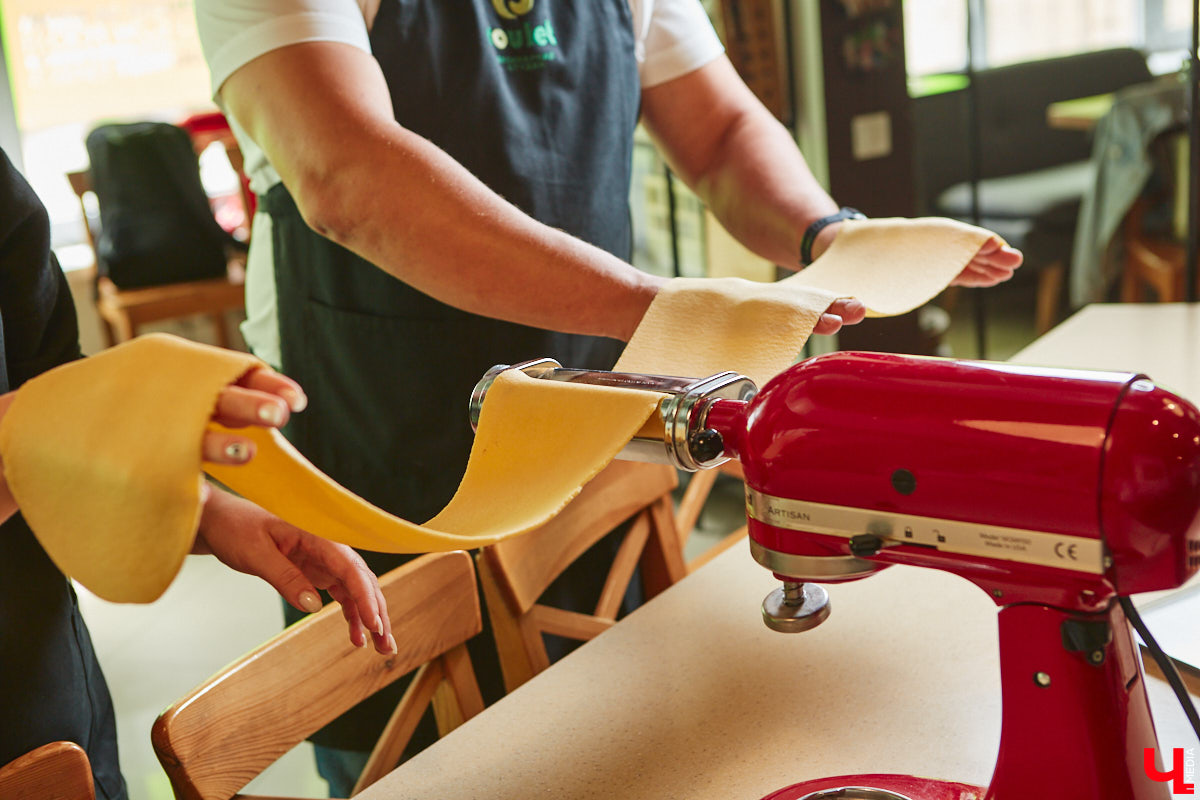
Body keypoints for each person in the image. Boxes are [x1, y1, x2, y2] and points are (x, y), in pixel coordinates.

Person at [193, 0, 1023, 792]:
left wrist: (824, 231)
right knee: (422, 758)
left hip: (590, 412)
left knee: (615, 725)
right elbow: (346, 173)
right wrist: (658, 304)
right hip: (384, 417)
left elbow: (722, 134)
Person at [0, 145, 396, 800]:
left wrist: (209, 513)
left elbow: (61, 430)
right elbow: (47, 427)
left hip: (46, 698)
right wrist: (42, 429)